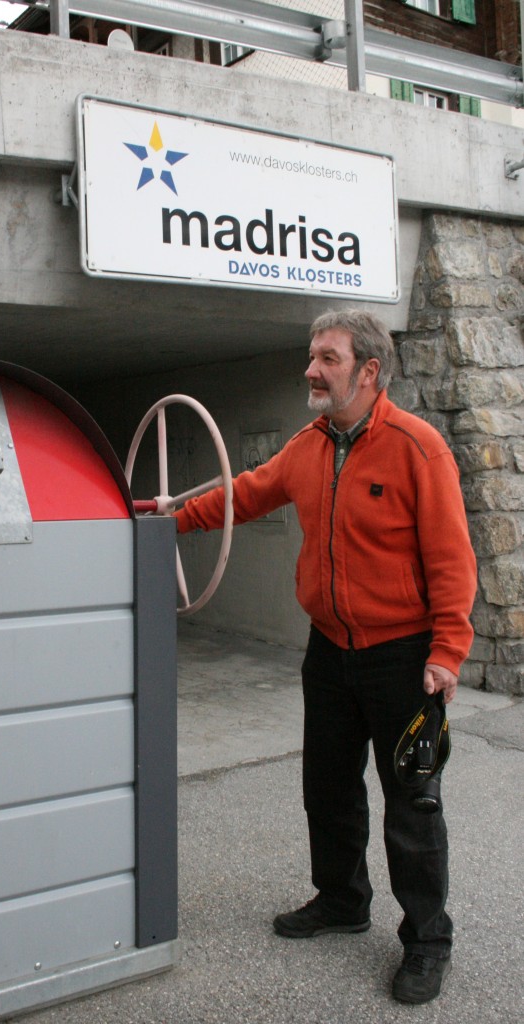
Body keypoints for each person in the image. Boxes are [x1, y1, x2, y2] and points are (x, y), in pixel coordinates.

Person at [174, 309, 477, 1005]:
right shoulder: (308, 445)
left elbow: (452, 560)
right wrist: (169, 520)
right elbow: (245, 494)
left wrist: (447, 652)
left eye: (327, 359)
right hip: (330, 651)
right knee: (329, 788)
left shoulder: (418, 447)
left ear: (368, 371)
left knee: (413, 803)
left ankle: (427, 939)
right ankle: (342, 900)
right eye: (312, 356)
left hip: (403, 657)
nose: (310, 370)